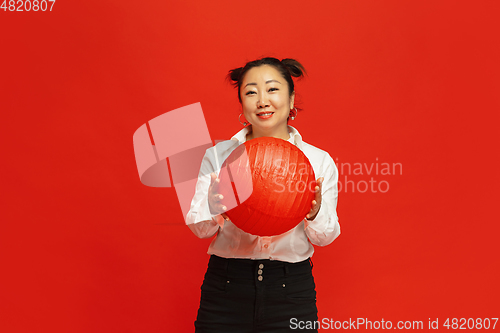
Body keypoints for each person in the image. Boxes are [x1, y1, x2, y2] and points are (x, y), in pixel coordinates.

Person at [185, 57, 341, 332]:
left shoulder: (318, 161)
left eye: (272, 89)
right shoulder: (219, 157)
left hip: (291, 290)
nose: (262, 100)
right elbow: (200, 230)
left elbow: (326, 236)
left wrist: (315, 213)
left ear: (292, 100)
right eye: (251, 92)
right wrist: (212, 207)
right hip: (226, 288)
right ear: (242, 105)